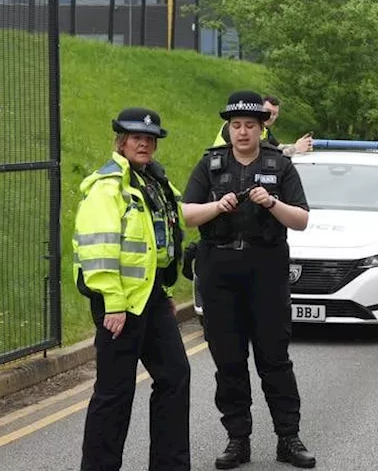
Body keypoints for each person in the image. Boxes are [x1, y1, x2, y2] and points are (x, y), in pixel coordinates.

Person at [180, 90, 316, 469]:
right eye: (236, 126)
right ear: (228, 129)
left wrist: (271, 202)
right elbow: (187, 214)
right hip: (220, 269)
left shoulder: (280, 165)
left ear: (261, 128)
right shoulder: (210, 165)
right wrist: (216, 206)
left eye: (250, 126)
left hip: (266, 268)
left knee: (274, 358)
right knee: (229, 360)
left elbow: (302, 220)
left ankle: (288, 438)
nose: (242, 133)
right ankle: (237, 440)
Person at [74, 107, 191, 471]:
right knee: (115, 393)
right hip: (118, 304)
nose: (143, 143)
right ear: (121, 141)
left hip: (152, 299)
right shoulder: (107, 188)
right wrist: (113, 302)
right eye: (136, 137)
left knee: (175, 376)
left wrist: (167, 294)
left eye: (150, 139)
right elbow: (99, 250)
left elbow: (157, 247)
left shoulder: (153, 183)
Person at [211, 94, 313, 156]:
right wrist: (296, 149)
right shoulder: (232, 128)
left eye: (275, 114)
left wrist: (298, 144)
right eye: (268, 112)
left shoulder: (265, 130)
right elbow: (265, 154)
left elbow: (277, 147)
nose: (271, 116)